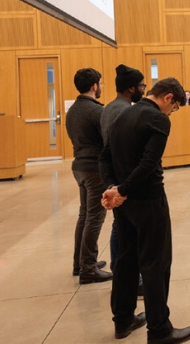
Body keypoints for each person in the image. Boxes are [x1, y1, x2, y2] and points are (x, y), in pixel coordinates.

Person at [99, 77, 190, 344]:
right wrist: (124, 189)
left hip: (123, 204)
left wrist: (113, 188)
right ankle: (159, 330)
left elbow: (104, 156)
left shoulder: (124, 114)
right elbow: (149, 163)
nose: (171, 112)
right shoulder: (158, 119)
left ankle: (123, 320)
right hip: (148, 200)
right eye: (174, 107)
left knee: (125, 261)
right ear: (168, 98)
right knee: (156, 263)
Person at [101, 64, 146, 286]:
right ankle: (126, 277)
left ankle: (123, 274)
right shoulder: (125, 111)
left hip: (116, 175)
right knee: (123, 228)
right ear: (131, 88)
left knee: (120, 225)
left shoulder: (109, 108)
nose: (144, 89)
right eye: (141, 85)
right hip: (124, 177)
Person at [66, 68, 112, 284]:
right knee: (95, 217)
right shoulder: (96, 111)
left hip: (79, 167)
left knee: (84, 215)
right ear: (95, 86)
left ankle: (81, 263)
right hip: (94, 169)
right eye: (100, 83)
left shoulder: (73, 110)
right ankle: (89, 269)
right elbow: (107, 140)